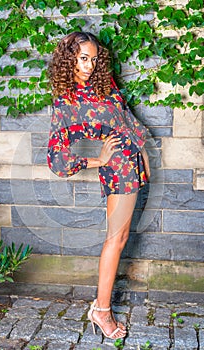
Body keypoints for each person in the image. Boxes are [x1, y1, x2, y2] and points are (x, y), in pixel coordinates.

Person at [47, 31, 150, 340]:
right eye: (82, 58)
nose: (89, 65)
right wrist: (100, 160)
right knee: (115, 241)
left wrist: (143, 155)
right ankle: (101, 310)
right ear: (69, 59)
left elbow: (127, 120)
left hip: (133, 166)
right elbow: (56, 159)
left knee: (121, 238)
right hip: (117, 170)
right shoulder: (66, 99)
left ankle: (101, 308)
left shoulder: (103, 84)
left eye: (93, 58)